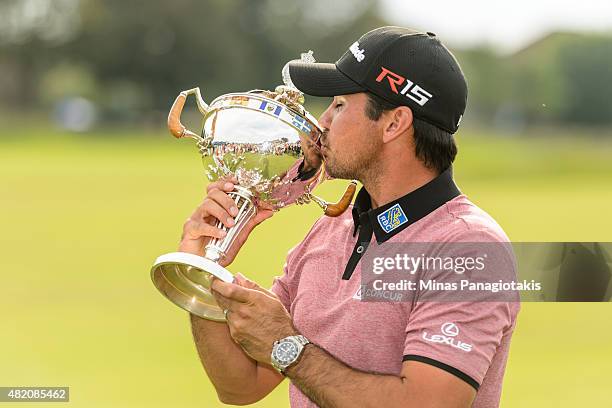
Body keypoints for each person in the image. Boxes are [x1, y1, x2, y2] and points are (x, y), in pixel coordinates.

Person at [181, 26, 520, 408]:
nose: (322, 121)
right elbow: (241, 386)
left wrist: (287, 346)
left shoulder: (469, 247)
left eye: (340, 105)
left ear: (394, 123)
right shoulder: (332, 226)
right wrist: (204, 270)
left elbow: (427, 403)